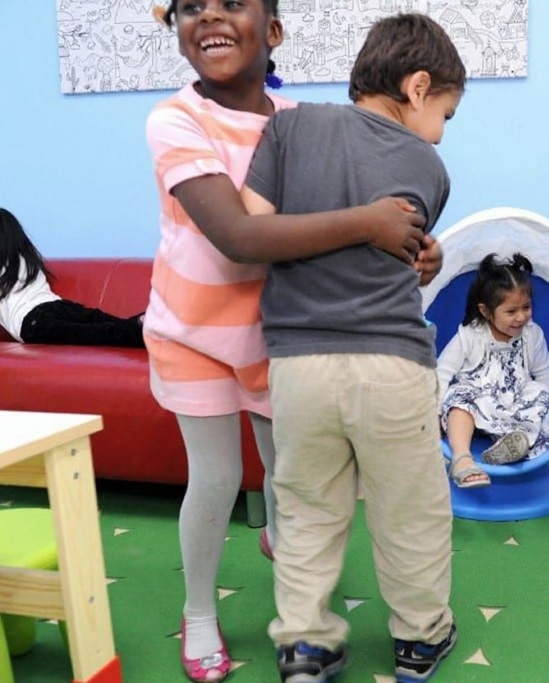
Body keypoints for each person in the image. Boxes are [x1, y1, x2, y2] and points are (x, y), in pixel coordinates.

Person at [147, 2, 436, 681]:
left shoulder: (308, 121)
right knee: (217, 478)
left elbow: (368, 206)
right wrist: (369, 224)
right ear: (178, 30)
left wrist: (418, 247)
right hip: (193, 334)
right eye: (192, 7)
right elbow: (240, 237)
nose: (209, 15)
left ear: (273, 31)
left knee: (296, 481)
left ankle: (297, 578)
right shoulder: (175, 120)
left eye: (231, 3)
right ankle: (198, 611)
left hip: (287, 334)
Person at [240, 13, 464, 683]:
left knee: (306, 507)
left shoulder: (287, 127)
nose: (444, 131)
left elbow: (256, 229)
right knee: (410, 507)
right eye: (446, 112)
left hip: (298, 363)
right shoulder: (428, 163)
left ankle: (305, 643)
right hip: (390, 360)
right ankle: (421, 637)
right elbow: (407, 252)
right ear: (418, 87)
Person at [437, 253, 549, 488]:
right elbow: (442, 372)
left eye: (526, 307)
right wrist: (434, 412)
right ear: (486, 311)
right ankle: (462, 458)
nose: (521, 317)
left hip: (515, 404)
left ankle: (510, 446)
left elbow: (543, 372)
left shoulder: (532, 333)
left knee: (538, 393)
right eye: (511, 312)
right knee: (458, 396)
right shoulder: (470, 334)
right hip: (478, 400)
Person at [0, 208, 144, 348]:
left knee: (95, 333)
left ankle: (143, 332)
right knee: (106, 322)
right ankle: (144, 322)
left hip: (33, 322)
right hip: (58, 305)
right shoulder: (28, 259)